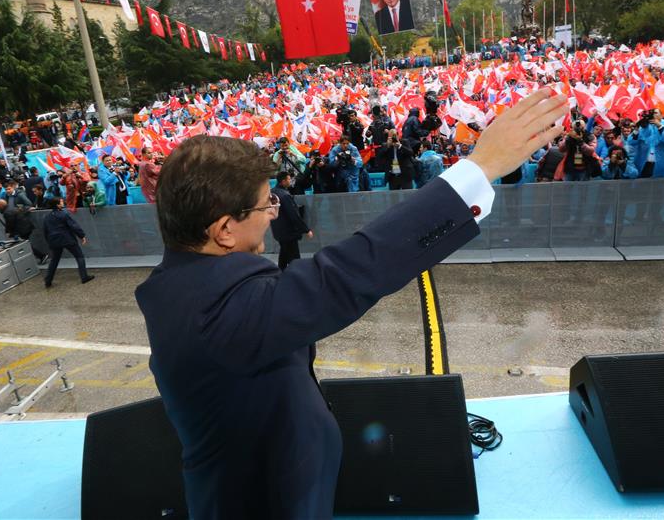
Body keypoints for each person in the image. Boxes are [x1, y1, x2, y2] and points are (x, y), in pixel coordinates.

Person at [134, 88, 567, 519]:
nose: (274, 211)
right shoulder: (219, 314)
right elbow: (348, 273)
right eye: (267, 202)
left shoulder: (181, 282)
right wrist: (481, 166)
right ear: (225, 230)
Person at [41, 198, 94, 288]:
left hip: (54, 241)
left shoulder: (47, 217)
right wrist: (82, 235)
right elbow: (73, 226)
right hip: (67, 239)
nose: (63, 203)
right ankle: (84, 277)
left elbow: (46, 231)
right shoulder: (64, 214)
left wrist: (49, 242)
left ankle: (48, 280)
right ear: (58, 205)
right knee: (79, 256)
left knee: (54, 260)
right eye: (61, 202)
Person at [269, 172, 313, 270]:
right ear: (283, 181)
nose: (290, 181)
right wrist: (306, 229)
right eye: (289, 179)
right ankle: (298, 277)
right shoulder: (284, 195)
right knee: (294, 258)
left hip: (278, 229)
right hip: (288, 231)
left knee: (284, 253)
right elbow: (293, 215)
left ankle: (280, 272)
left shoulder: (273, 193)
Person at [0, 199, 49, 264]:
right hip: (27, 227)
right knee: (25, 244)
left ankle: (42, 256)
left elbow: (10, 224)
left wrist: (8, 232)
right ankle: (38, 256)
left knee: (25, 245)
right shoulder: (11, 208)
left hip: (23, 230)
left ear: (0, 206)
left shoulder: (7, 212)